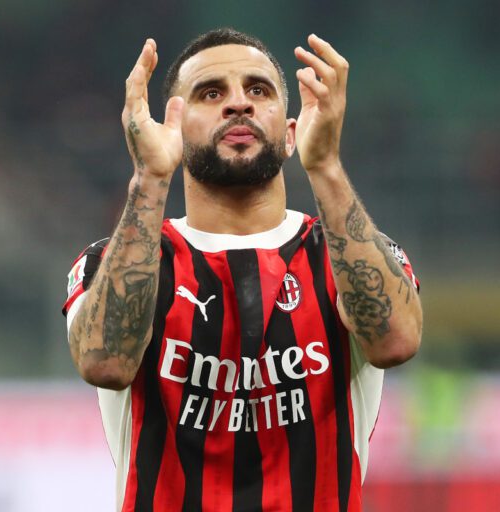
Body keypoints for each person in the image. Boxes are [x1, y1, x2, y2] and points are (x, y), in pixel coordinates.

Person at [62, 28, 422, 512]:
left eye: (258, 90)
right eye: (211, 94)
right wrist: (149, 178)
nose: (238, 103)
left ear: (290, 134)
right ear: (173, 129)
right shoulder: (121, 261)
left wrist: (326, 167)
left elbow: (396, 343)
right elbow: (104, 364)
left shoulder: (344, 254)